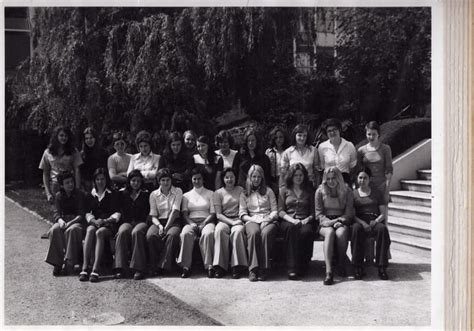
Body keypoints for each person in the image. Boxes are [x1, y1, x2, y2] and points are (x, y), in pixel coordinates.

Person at [79, 168, 121, 282]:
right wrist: (94, 221)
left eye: (102, 179)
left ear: (106, 180)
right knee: (90, 230)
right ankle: (85, 266)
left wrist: (106, 220)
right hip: (96, 222)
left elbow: (117, 213)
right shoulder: (90, 195)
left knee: (99, 232)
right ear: (94, 180)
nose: (100, 181)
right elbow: (86, 212)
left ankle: (95, 269)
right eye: (97, 179)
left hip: (109, 224)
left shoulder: (113, 194)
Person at [315, 166, 354, 285]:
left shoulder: (347, 191)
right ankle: (329, 271)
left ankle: (341, 261)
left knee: (341, 233)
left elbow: (348, 213)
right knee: (330, 232)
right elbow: (318, 213)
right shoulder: (320, 191)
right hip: (325, 221)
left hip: (340, 220)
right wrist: (330, 222)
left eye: (334, 178)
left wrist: (339, 221)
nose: (331, 181)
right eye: (328, 179)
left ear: (339, 178)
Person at [239, 164, 278, 282]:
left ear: (262, 178)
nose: (256, 179)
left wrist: (267, 220)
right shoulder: (244, 193)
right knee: (254, 233)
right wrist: (254, 220)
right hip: (252, 219)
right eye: (253, 177)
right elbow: (242, 214)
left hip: (268, 219)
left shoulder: (268, 191)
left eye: (259, 177)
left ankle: (263, 268)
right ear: (249, 178)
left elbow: (275, 210)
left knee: (265, 234)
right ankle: (253, 268)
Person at [351, 167, 391, 280]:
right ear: (357, 179)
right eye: (360, 178)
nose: (362, 180)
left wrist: (376, 221)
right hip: (359, 221)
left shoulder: (376, 193)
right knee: (356, 229)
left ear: (369, 179)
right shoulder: (353, 194)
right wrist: (363, 223)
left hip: (374, 220)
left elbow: (383, 213)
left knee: (382, 229)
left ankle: (382, 266)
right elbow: (352, 214)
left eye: (365, 178)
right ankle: (357, 266)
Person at [45, 171, 86, 276]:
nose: (70, 184)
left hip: (77, 221)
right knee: (54, 229)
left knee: (72, 230)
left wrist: (71, 222)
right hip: (64, 220)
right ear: (62, 185)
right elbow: (56, 212)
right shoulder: (59, 196)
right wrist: (60, 220)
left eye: (72, 182)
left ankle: (69, 262)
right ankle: (57, 263)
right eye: (67, 183)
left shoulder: (79, 194)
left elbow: (81, 214)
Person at [278, 163, 315, 280]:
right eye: (296, 175)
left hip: (305, 220)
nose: (299, 177)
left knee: (306, 232)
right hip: (288, 220)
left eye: (301, 175)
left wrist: (306, 220)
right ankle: (292, 267)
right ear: (291, 176)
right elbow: (280, 211)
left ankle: (303, 264)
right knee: (291, 229)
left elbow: (314, 212)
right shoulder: (284, 190)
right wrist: (292, 220)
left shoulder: (309, 191)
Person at [177, 168, 216, 278]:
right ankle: (186, 267)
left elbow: (213, 213)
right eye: (194, 179)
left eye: (199, 179)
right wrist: (191, 223)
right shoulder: (186, 195)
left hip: (207, 220)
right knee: (185, 234)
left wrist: (204, 222)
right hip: (191, 221)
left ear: (203, 179)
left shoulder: (211, 193)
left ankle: (209, 266)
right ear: (191, 180)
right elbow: (184, 213)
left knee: (208, 234)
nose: (197, 181)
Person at [114, 170, 150, 280]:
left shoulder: (146, 194)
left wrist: (146, 222)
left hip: (141, 222)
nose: (136, 183)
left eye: (138, 181)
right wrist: (117, 227)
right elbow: (118, 211)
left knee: (137, 232)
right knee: (123, 231)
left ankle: (138, 268)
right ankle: (120, 267)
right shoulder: (122, 193)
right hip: (127, 222)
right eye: (133, 180)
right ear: (129, 181)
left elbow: (149, 212)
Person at [146, 168, 183, 276]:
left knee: (172, 235)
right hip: (158, 221)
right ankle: (154, 265)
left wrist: (166, 228)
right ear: (159, 181)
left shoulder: (178, 191)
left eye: (168, 180)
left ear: (171, 180)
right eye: (163, 180)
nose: (165, 183)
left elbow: (175, 211)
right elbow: (153, 215)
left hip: (173, 221)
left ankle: (164, 266)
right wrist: (160, 226)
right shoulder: (153, 194)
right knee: (150, 236)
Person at [213, 168, 248, 279]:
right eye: (227, 177)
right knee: (219, 231)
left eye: (231, 177)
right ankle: (220, 266)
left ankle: (236, 266)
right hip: (224, 219)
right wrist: (231, 222)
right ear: (223, 179)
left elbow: (243, 207)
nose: (229, 179)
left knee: (237, 232)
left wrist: (237, 221)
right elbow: (218, 214)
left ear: (235, 177)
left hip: (238, 218)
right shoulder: (218, 193)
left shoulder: (240, 190)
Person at [39, 126, 83, 203]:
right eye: (61, 135)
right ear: (56, 136)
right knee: (57, 211)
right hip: (55, 185)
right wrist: (48, 193)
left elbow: (77, 170)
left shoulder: (73, 151)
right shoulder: (48, 152)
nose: (64, 138)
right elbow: (45, 173)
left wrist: (77, 188)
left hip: (69, 185)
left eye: (66, 136)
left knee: (71, 209)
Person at [357, 121, 393, 203]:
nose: (371, 137)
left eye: (374, 134)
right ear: (366, 134)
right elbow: (358, 171)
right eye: (369, 134)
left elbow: (389, 171)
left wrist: (387, 191)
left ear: (378, 134)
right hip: (366, 187)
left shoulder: (385, 149)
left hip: (381, 187)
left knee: (382, 213)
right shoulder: (361, 150)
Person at [318, 118, 357, 184]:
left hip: (345, 182)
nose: (332, 132)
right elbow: (322, 166)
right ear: (326, 133)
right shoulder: (322, 147)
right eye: (329, 131)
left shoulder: (349, 145)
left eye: (334, 129)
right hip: (329, 182)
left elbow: (353, 167)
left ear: (339, 130)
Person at [281, 124, 320, 189]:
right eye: (299, 135)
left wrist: (317, 187)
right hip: (293, 187)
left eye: (304, 136)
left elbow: (317, 173)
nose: (302, 138)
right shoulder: (288, 152)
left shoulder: (313, 151)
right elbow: (283, 173)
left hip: (309, 186)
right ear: (294, 136)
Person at [80, 127, 109, 192]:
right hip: (87, 185)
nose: (89, 140)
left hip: (101, 182)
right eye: (86, 138)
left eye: (91, 138)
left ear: (95, 139)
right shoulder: (82, 154)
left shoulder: (104, 153)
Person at [265, 125, 289, 196]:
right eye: (276, 137)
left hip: (287, 181)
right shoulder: (269, 152)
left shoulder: (288, 151)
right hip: (273, 182)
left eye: (281, 137)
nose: (278, 139)